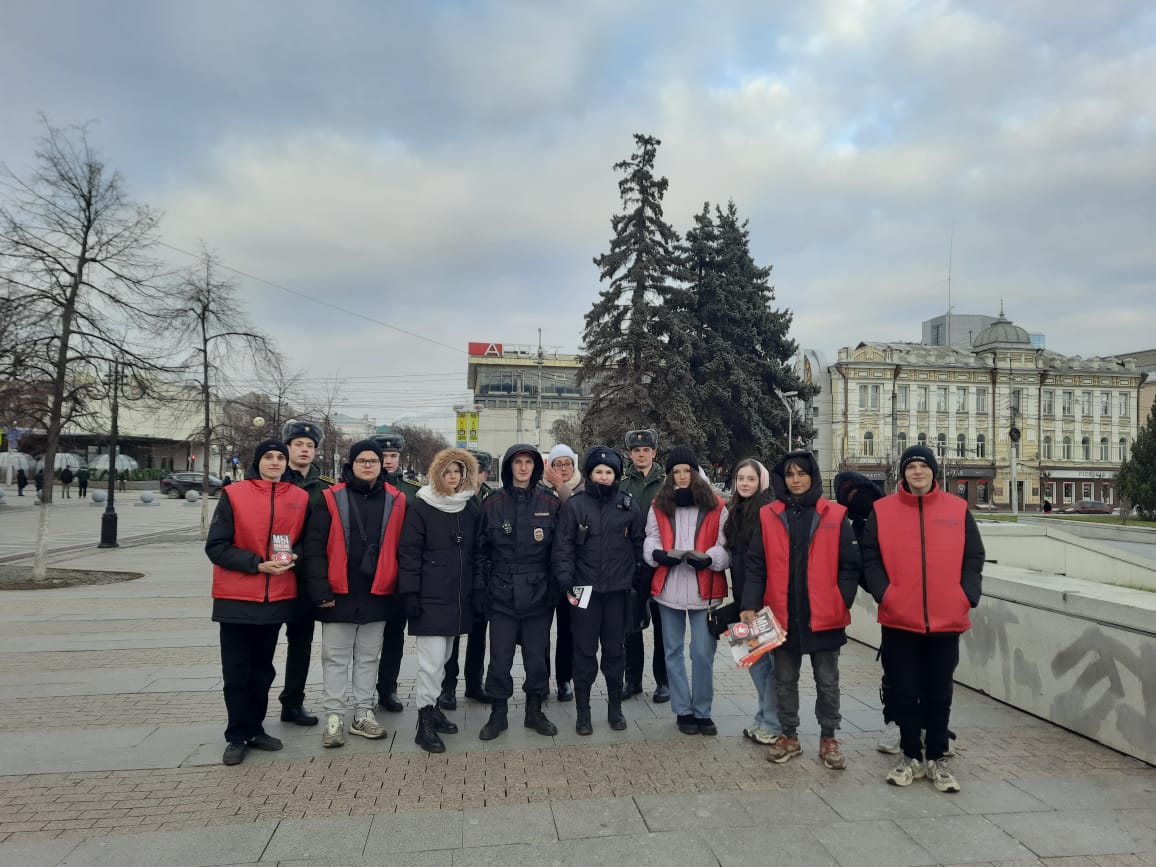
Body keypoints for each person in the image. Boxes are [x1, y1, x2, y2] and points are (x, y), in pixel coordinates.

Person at [862, 444, 985, 793]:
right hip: (899, 618)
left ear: (933, 471)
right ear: (903, 473)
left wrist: (966, 595)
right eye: (911, 466)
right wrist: (886, 594)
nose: (918, 472)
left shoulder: (956, 509)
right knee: (904, 691)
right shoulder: (882, 510)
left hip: (946, 619)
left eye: (923, 466)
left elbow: (974, 556)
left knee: (939, 692)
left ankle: (937, 758)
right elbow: (870, 558)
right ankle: (910, 756)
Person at [742, 450, 860, 770]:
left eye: (801, 473)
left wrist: (840, 599)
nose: (795, 480)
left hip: (824, 615)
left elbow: (850, 565)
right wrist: (750, 605)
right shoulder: (769, 514)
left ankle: (828, 737)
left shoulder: (835, 514)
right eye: (790, 474)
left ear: (812, 476)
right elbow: (756, 564)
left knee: (827, 680)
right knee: (784, 679)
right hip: (782, 615)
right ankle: (789, 735)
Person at [204, 439, 308, 766]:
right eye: (268, 457)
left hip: (276, 596)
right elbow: (216, 546)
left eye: (280, 457)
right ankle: (236, 735)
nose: (275, 462)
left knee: (263, 670)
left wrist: (295, 556)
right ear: (258, 461)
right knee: (237, 671)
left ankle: (256, 728)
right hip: (236, 596)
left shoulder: (300, 497)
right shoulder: (234, 494)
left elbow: (307, 542)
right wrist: (257, 564)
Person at [303, 440, 406, 748]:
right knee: (334, 658)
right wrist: (321, 591)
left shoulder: (397, 499)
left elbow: (404, 548)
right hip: (339, 593)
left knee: (368, 657)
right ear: (352, 464)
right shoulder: (330, 497)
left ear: (381, 465)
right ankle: (334, 717)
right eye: (362, 460)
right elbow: (314, 548)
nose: (368, 465)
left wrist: (398, 591)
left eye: (373, 461)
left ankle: (363, 713)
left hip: (378, 593)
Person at [553, 445, 645, 735]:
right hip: (583, 590)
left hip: (617, 591)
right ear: (590, 474)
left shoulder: (627, 505)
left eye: (609, 472)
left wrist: (636, 580)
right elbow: (563, 546)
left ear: (616, 476)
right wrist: (565, 580)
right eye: (598, 471)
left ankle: (615, 709)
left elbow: (639, 544)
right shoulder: (575, 505)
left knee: (615, 651)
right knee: (584, 651)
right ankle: (583, 712)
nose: (604, 476)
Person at [398, 448, 484, 753]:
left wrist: (477, 590)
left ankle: (433, 709)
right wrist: (410, 593)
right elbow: (409, 553)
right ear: (437, 474)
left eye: (457, 472)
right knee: (431, 664)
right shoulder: (421, 506)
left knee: (445, 658)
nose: (452, 477)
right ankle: (424, 722)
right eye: (447, 472)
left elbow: (477, 551)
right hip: (429, 597)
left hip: (457, 597)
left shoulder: (468, 507)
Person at [476, 444, 561, 740]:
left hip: (538, 592)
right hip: (501, 591)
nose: (523, 468)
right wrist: (480, 587)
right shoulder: (492, 502)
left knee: (537, 657)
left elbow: (559, 550)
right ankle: (498, 714)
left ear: (535, 467)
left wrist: (555, 587)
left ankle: (534, 711)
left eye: (528, 462)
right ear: (508, 467)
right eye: (517, 462)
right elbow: (480, 550)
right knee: (500, 657)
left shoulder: (549, 501)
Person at [644, 446, 730, 736]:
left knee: (703, 653)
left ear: (695, 472)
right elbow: (651, 537)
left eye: (686, 471)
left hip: (705, 591)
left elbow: (725, 545)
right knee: (672, 651)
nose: (681, 476)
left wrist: (710, 558)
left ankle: (703, 710)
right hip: (668, 589)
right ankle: (683, 710)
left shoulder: (716, 506)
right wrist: (657, 554)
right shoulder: (659, 504)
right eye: (676, 472)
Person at [278, 420, 335, 728]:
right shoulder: (273, 479)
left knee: (300, 642)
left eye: (310, 445)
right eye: (298, 444)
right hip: (274, 572)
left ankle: (292, 701)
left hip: (306, 576)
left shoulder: (325, 487)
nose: (304, 450)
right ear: (287, 447)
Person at [834, 471, 896, 753]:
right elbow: (860, 570)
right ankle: (895, 722)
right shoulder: (855, 531)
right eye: (848, 496)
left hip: (922, 602)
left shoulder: (892, 515)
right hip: (891, 607)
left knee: (928, 669)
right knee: (895, 668)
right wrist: (884, 592)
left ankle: (932, 726)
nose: (856, 499)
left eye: (857, 492)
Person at [725, 458, 779, 745]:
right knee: (755, 663)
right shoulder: (736, 510)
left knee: (767, 666)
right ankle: (763, 718)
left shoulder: (767, 513)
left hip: (762, 602)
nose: (744, 484)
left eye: (751, 479)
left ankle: (772, 723)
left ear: (762, 482)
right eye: (741, 478)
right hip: (743, 600)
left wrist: (752, 602)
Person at [438, 451, 494, 710]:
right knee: (453, 632)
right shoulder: (452, 497)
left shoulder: (491, 499)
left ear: (484, 474)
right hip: (456, 574)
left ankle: (474, 683)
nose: (472, 477)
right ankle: (447, 687)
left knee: (479, 634)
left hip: (483, 575)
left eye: (477, 472)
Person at [620, 429, 669, 703]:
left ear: (654, 452)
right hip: (630, 563)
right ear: (630, 454)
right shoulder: (622, 483)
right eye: (636, 450)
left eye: (646, 450)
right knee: (631, 623)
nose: (641, 454)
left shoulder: (667, 483)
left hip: (661, 563)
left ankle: (663, 681)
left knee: (663, 626)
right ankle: (633, 680)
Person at [373, 433, 420, 714]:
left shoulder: (412, 491)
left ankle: (387, 688)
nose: (388, 461)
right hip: (368, 573)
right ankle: (363, 689)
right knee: (365, 639)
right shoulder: (363, 487)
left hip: (400, 573)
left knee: (394, 635)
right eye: (383, 456)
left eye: (393, 456)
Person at [541, 443, 582, 701]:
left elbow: (578, 513)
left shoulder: (583, 488)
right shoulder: (539, 489)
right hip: (543, 572)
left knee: (570, 629)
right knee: (540, 631)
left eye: (567, 464)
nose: (563, 469)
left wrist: (561, 487)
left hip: (573, 571)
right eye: (558, 464)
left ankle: (565, 679)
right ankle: (541, 679)